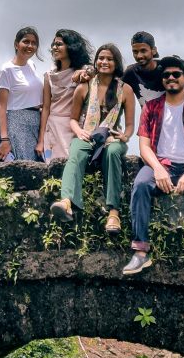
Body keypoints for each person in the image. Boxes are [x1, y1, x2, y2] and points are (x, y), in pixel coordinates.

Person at [123, 56, 184, 290]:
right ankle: (140, 251)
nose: (170, 78)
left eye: (176, 74)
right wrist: (157, 168)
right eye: (166, 75)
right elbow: (144, 146)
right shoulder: (152, 107)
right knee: (140, 185)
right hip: (162, 164)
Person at [50, 44, 135, 233]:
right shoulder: (84, 87)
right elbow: (72, 119)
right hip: (87, 133)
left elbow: (129, 125)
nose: (104, 62)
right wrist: (79, 132)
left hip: (112, 137)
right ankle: (66, 201)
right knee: (76, 150)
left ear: (116, 63)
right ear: (96, 61)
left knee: (113, 152)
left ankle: (113, 212)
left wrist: (125, 136)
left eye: (109, 59)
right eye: (101, 58)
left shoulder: (125, 90)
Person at [36, 29, 93, 161]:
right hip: (53, 127)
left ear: (71, 46)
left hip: (75, 126)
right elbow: (46, 108)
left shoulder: (84, 71)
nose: (54, 47)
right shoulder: (49, 75)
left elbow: (98, 72)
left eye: (59, 44)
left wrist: (87, 72)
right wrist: (40, 140)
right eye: (54, 44)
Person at [0, 27, 45, 161]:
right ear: (16, 44)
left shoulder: (31, 65)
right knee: (26, 163)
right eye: (26, 41)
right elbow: (2, 107)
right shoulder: (7, 70)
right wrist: (5, 139)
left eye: (34, 43)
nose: (30, 46)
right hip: (18, 121)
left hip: (36, 119)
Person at [122, 30, 184, 107]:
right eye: (135, 52)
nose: (139, 56)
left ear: (154, 50)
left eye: (143, 51)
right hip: (148, 118)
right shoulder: (131, 72)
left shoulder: (167, 68)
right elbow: (114, 89)